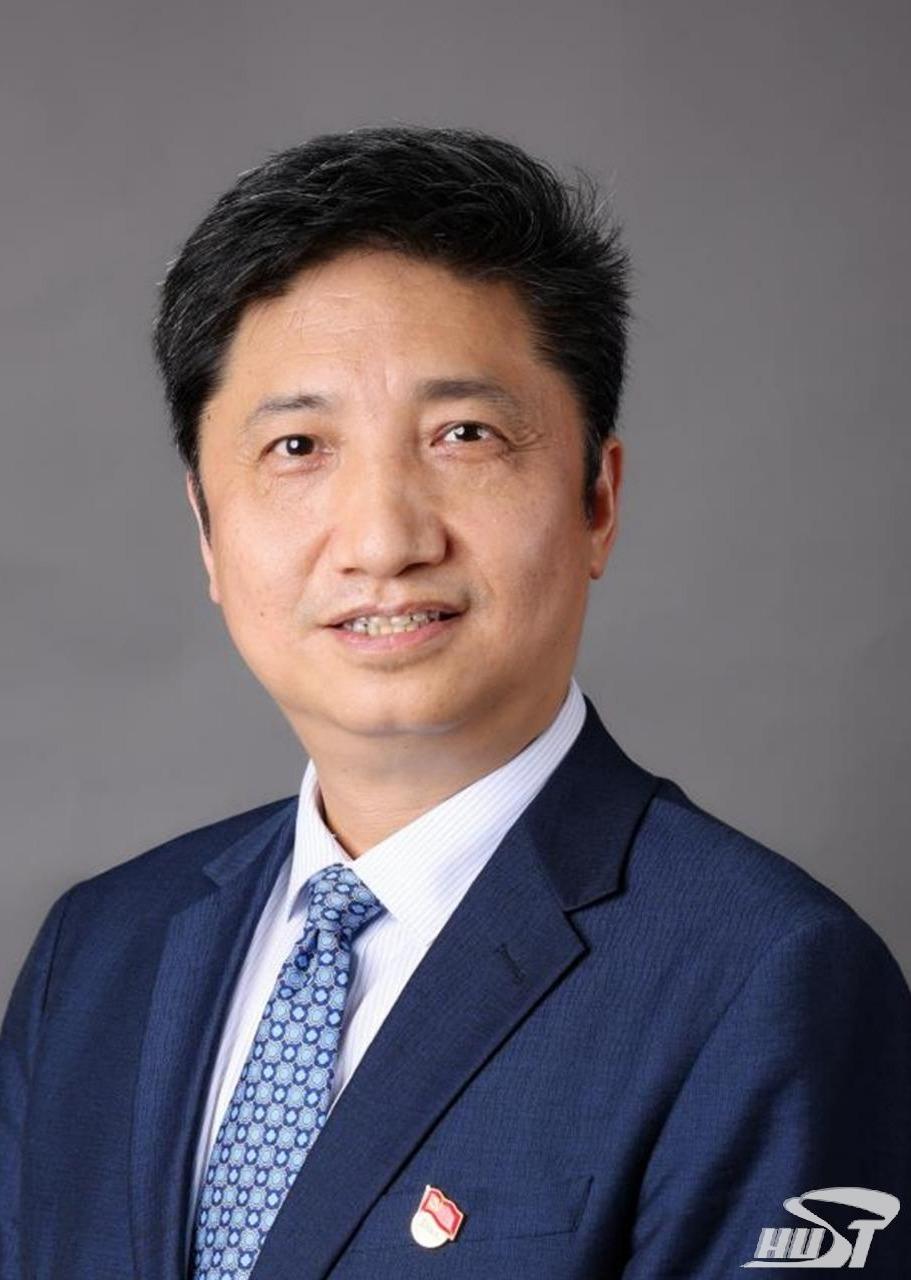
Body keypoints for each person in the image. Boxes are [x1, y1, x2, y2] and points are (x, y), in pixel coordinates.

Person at [1, 125, 909, 1280]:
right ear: (207, 533)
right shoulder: (98, 952)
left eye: (463, 435)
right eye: (297, 444)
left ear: (595, 501)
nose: (383, 539)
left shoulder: (768, 978)